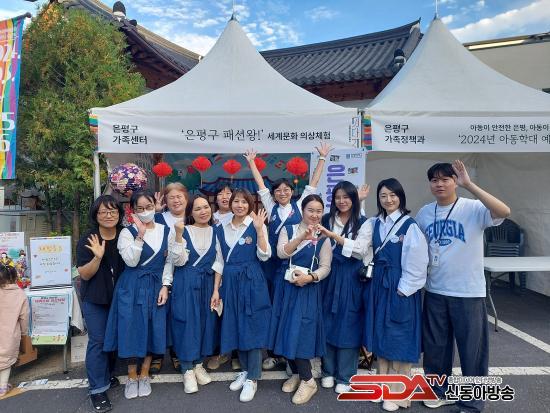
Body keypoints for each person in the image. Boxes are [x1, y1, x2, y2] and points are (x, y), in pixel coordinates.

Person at [416, 161, 510, 413]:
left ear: (455, 182)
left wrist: (470, 185)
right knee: (436, 349)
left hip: (468, 292)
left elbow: (504, 211)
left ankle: (472, 401)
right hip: (435, 290)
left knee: (473, 351)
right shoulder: (425, 213)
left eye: (445, 179)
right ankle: (439, 391)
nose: (439, 184)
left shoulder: (474, 208)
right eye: (434, 180)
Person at [243, 144, 331, 370]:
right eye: (278, 190)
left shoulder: (301, 207)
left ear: (292, 191)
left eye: (286, 190)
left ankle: (293, 355)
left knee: (292, 311)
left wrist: (322, 158)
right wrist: (251, 162)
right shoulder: (270, 207)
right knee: (274, 307)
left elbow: (312, 185)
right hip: (273, 263)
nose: (282, 193)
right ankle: (275, 353)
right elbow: (261, 186)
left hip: (297, 264)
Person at [104, 190, 186, 400]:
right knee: (130, 328)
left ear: (155, 207)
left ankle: (145, 373)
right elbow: (131, 261)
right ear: (132, 210)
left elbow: (170, 262)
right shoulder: (127, 232)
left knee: (152, 328)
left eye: (148, 207)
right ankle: (132, 376)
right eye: (140, 208)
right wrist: (140, 235)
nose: (145, 211)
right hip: (131, 286)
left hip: (156, 285)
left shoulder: (166, 230)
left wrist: (166, 286)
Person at [363, 178, 428, 412]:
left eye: (393, 195)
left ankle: (399, 394)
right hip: (380, 286)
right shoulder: (376, 222)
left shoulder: (409, 226)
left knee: (399, 337)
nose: (388, 199)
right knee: (381, 335)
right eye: (383, 196)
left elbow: (418, 262)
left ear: (400, 197)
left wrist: (404, 289)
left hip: (400, 287)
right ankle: (382, 387)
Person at [269, 194, 332, 404]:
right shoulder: (288, 230)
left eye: (318, 211)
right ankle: (296, 374)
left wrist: (310, 277)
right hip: (285, 288)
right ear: (302, 211)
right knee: (284, 329)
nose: (314, 215)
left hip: (306, 290)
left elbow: (325, 267)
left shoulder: (324, 237)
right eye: (310, 210)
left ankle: (308, 380)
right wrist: (301, 238)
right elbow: (281, 253)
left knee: (299, 333)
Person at [210, 189, 271, 402]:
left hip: (251, 279)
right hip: (230, 281)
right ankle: (245, 370)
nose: (240, 205)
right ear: (230, 204)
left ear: (250, 205)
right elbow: (219, 261)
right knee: (235, 324)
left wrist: (260, 230)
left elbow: (265, 255)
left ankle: (253, 378)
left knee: (251, 325)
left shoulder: (256, 225)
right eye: (236, 201)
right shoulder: (220, 228)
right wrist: (216, 289)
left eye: (244, 202)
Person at [315, 181, 372, 394]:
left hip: (351, 277)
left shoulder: (364, 222)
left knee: (349, 323)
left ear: (354, 199)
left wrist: (333, 236)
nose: (342, 201)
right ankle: (327, 371)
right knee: (327, 321)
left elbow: (359, 251)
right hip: (328, 274)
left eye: (346, 197)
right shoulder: (326, 219)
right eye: (338, 197)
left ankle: (346, 376)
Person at [76, 195, 126, 412]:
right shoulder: (88, 239)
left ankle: (107, 374)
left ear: (119, 214)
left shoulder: (125, 235)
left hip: (120, 298)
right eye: (103, 212)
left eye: (113, 211)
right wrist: (97, 257)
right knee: (98, 340)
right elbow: (84, 275)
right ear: (95, 215)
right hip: (95, 299)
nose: (108, 215)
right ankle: (97, 389)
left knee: (113, 337)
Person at [168, 195, 220, 393]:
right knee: (186, 323)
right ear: (190, 212)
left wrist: (216, 289)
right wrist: (178, 235)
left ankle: (198, 364)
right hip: (186, 281)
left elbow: (219, 262)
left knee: (206, 322)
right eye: (197, 209)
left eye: (206, 207)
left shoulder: (216, 231)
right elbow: (178, 261)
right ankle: (187, 369)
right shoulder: (182, 230)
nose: (203, 211)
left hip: (208, 282)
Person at [152, 183, 188, 373]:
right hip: (160, 270)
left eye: (179, 196)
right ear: (166, 200)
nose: (176, 200)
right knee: (159, 313)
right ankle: (157, 355)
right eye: (171, 197)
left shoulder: (193, 217)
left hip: (184, 271)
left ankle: (176, 353)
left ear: (186, 198)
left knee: (178, 314)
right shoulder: (158, 218)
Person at [207, 184, 237, 371]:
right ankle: (217, 351)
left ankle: (235, 352)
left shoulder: (240, 217)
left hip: (234, 272)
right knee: (216, 311)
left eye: (228, 193)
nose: (225, 196)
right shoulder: (209, 217)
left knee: (234, 311)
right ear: (215, 198)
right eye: (221, 193)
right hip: (212, 270)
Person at [0, 265, 29, 398]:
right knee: (5, 361)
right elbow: (24, 317)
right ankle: (2, 386)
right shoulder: (20, 294)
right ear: (15, 277)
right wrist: (24, 332)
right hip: (9, 334)